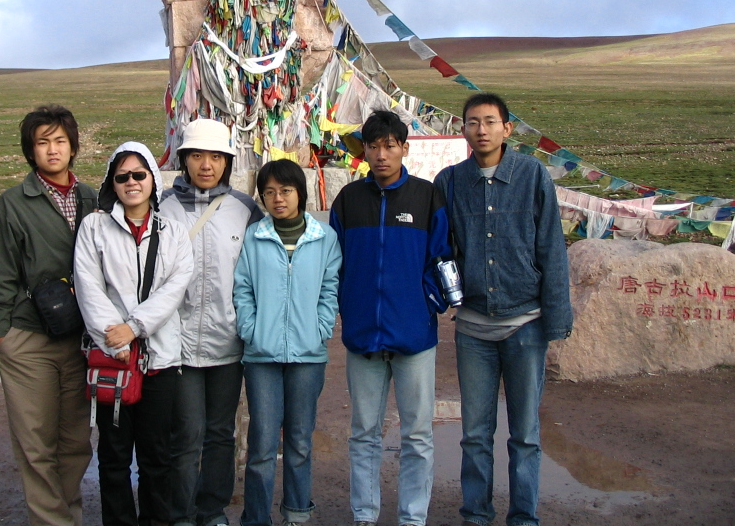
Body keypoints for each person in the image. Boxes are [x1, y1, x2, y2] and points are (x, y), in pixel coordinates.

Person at [434, 93, 573, 526]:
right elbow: (439, 249)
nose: (482, 130)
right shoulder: (450, 181)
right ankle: (476, 514)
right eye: (473, 122)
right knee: (475, 433)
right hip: (473, 327)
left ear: (507, 129)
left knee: (525, 433)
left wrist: (557, 318)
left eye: (490, 121)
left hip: (525, 324)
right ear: (462, 129)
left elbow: (551, 247)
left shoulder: (532, 175)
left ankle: (523, 517)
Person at [329, 109, 452, 526]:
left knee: (417, 434)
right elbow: (334, 262)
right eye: (373, 146)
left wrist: (426, 303)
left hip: (414, 336)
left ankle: (412, 517)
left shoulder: (426, 197)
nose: (381, 154)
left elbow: (442, 257)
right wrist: (348, 305)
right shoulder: (348, 200)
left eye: (389, 145)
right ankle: (365, 514)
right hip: (363, 334)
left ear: (404, 148)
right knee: (364, 432)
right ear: (364, 150)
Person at [0, 105, 98, 526]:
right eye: (42, 142)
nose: (52, 150)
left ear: (73, 147)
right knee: (36, 442)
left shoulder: (92, 198)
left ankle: (65, 515)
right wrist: (4, 334)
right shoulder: (14, 203)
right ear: (31, 151)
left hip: (80, 340)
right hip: (28, 339)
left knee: (75, 442)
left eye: (60, 141)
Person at [73, 141, 194, 526]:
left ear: (153, 180)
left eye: (139, 174)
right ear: (112, 182)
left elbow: (175, 288)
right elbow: (88, 286)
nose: (131, 182)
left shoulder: (174, 233)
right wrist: (114, 339)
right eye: (122, 176)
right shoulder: (94, 228)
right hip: (113, 360)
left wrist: (134, 328)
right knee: (113, 458)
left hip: (159, 359)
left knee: (157, 456)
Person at [158, 118, 262, 526]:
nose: (207, 165)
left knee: (220, 433)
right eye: (198, 155)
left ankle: (212, 510)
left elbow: (258, 274)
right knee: (185, 435)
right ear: (184, 159)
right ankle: (180, 513)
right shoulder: (162, 207)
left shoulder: (244, 210)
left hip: (227, 342)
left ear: (227, 162)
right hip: (179, 344)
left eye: (216, 157)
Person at [232, 160, 341, 526]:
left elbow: (329, 289)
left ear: (300, 193)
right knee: (262, 444)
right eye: (269, 192)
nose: (278, 199)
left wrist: (320, 328)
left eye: (285, 191)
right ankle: (256, 517)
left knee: (299, 441)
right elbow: (243, 289)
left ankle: (297, 513)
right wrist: (251, 329)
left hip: (308, 356)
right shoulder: (254, 236)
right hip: (261, 356)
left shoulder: (324, 238)